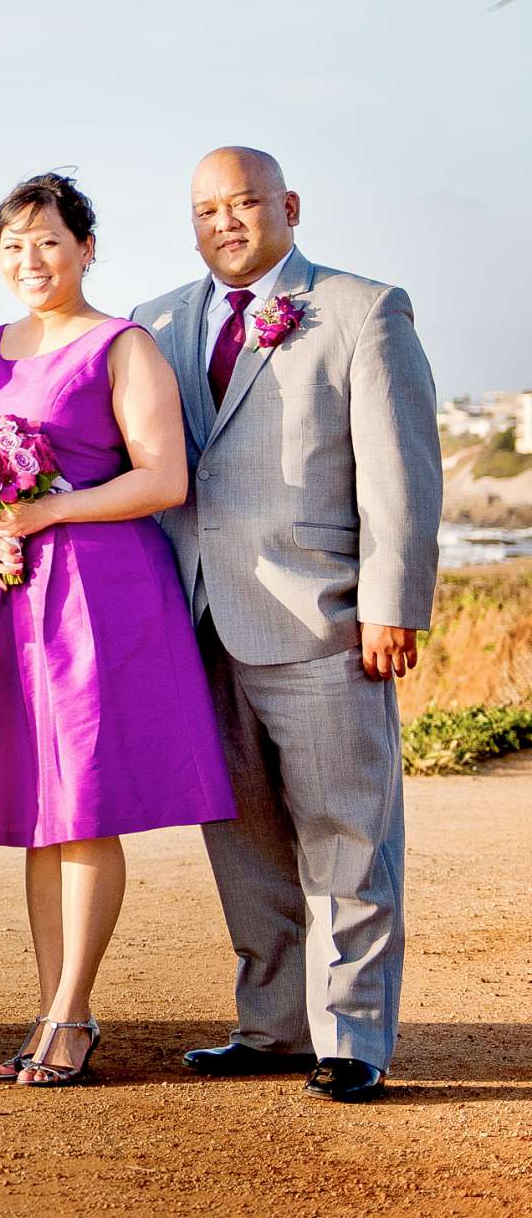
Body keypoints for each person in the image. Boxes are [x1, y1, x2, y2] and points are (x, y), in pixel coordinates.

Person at [133, 146, 439, 1105]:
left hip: (324, 620)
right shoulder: (158, 322)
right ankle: (271, 1026)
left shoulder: (362, 309)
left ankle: (353, 1038)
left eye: (245, 202)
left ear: (288, 205)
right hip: (198, 622)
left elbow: (402, 474)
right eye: (206, 209)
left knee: (349, 834)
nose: (226, 221)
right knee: (244, 838)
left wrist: (392, 605)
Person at [0, 173, 235, 1087]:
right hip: (2, 591)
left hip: (100, 597)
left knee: (85, 805)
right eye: (15, 244)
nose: (32, 259)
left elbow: (163, 479)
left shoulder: (122, 345)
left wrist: (47, 515)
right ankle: (52, 1001)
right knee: (35, 811)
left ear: (86, 248)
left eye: (51, 241)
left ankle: (71, 1013)